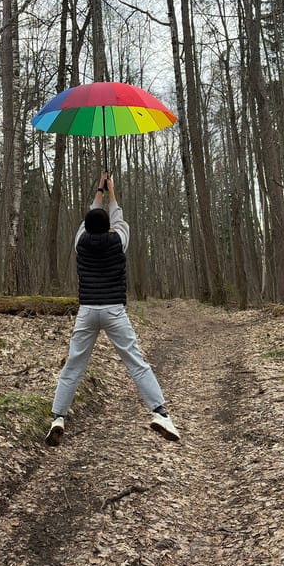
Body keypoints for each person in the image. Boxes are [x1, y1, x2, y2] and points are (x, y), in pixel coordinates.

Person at [45, 172, 180, 446]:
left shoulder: (80, 243)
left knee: (73, 365)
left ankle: (58, 417)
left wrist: (98, 191)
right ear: (108, 227)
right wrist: (112, 192)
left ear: (86, 226)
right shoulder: (119, 241)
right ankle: (160, 413)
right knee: (136, 363)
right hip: (114, 311)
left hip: (87, 312)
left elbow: (90, 218)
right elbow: (117, 218)